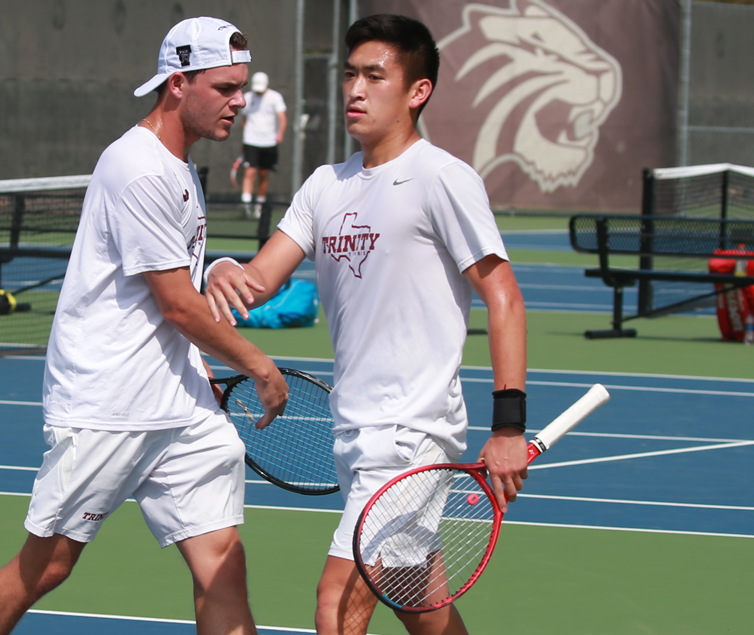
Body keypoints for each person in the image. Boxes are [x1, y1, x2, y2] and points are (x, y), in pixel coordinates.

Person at [0, 17, 288, 635]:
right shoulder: (137, 167)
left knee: (222, 564)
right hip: (109, 403)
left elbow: (172, 288)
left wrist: (210, 280)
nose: (240, 102)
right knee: (47, 567)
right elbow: (176, 307)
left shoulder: (179, 165)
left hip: (181, 406)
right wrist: (259, 366)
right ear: (178, 84)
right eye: (225, 88)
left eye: (241, 87)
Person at [204, 14, 528, 635]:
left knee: (338, 599)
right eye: (349, 74)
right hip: (353, 426)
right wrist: (220, 268)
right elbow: (257, 281)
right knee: (419, 601)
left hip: (412, 432)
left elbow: (503, 296)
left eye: (374, 76)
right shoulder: (327, 184)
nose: (354, 89)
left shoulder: (442, 178)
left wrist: (509, 425)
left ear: (417, 92)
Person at [239, 71, 287, 217]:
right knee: (250, 172)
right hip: (251, 141)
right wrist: (247, 135)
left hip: (269, 143)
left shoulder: (275, 97)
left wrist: (279, 134)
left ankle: (259, 206)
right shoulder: (247, 98)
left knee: (263, 174)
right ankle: (246, 206)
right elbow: (244, 119)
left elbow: (282, 118)